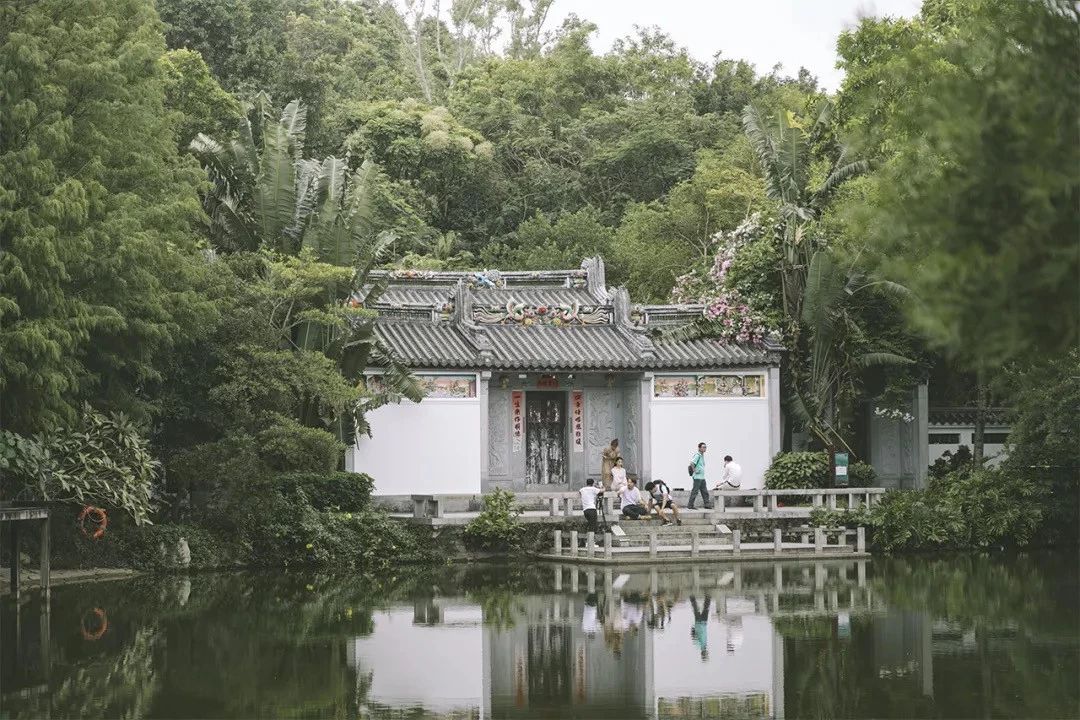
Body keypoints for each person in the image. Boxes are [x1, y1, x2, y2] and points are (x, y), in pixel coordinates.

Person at [687, 442, 712, 510]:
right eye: (703, 447)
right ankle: (690, 505)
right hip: (697, 477)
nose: (705, 448)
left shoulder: (701, 456)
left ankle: (707, 504)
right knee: (695, 491)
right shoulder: (697, 455)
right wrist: (695, 470)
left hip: (702, 477)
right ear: (699, 448)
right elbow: (692, 463)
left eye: (705, 447)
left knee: (705, 492)